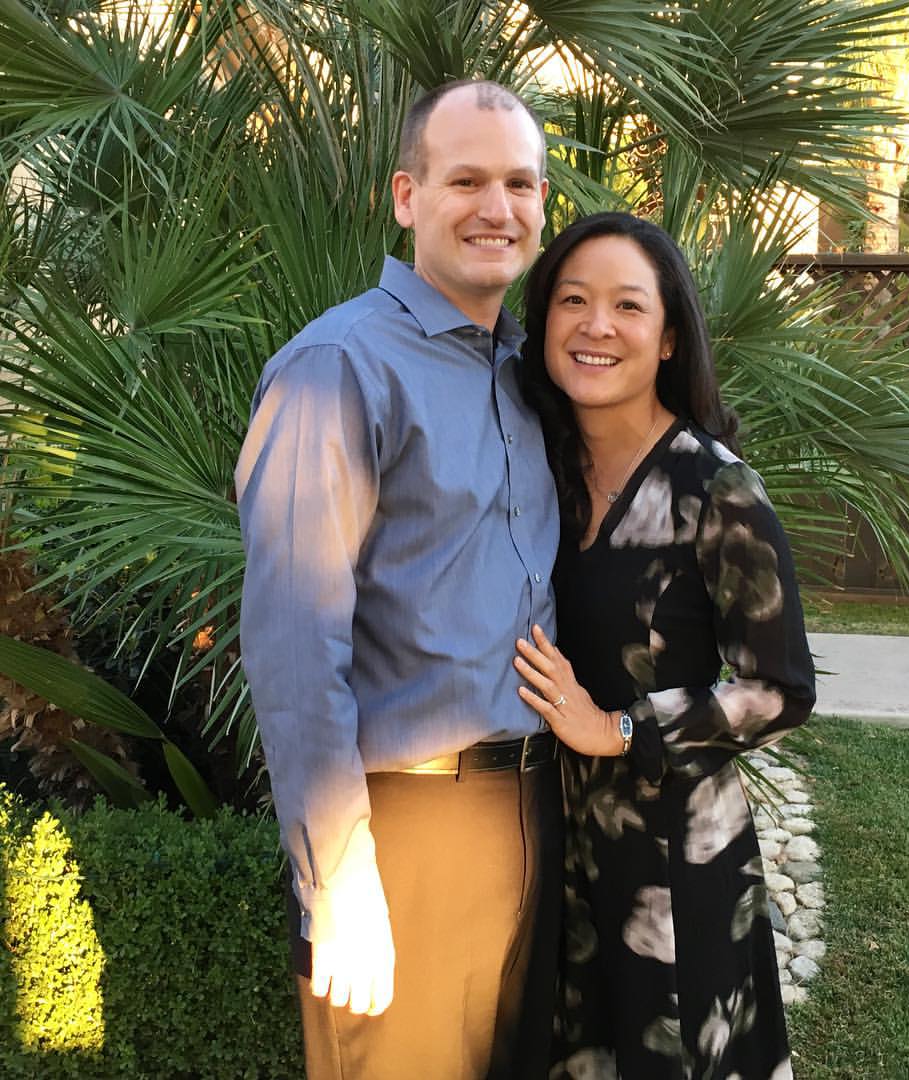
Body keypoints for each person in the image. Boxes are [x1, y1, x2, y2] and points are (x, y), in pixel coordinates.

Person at [235, 80, 563, 1080]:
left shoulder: (531, 369)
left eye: (519, 183)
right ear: (406, 194)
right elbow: (296, 649)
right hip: (406, 829)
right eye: (465, 179)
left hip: (539, 813)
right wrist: (339, 881)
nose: (496, 208)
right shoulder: (337, 369)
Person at [514, 212, 816, 1079]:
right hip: (554, 838)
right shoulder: (537, 470)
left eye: (626, 306)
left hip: (673, 854)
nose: (595, 326)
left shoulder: (715, 487)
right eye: (572, 300)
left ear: (670, 335)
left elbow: (781, 688)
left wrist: (617, 728)